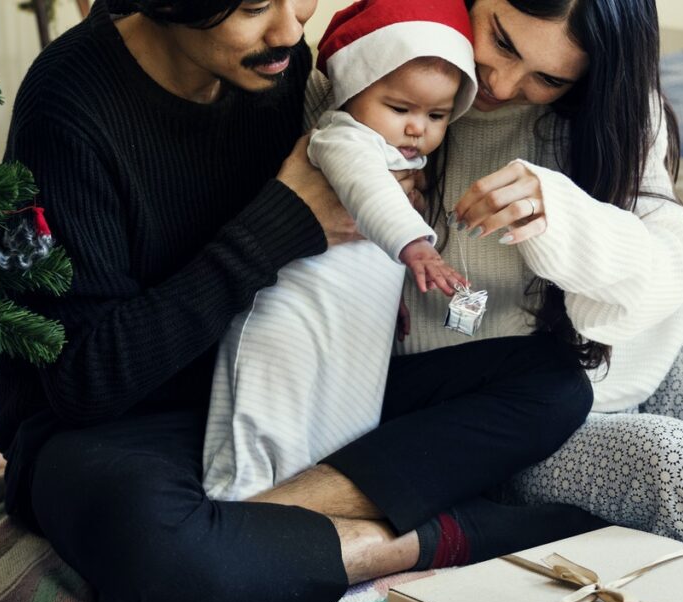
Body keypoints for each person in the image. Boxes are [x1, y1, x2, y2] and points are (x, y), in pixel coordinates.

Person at [0, 0, 604, 602]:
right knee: (157, 548)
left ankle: (240, 534)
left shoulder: (275, 68)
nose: (290, 31)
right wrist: (282, 223)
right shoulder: (68, 106)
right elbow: (83, 380)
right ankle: (422, 538)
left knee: (552, 384)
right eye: (257, 6)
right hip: (124, 424)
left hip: (289, 387)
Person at [342, 0, 683, 576]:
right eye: (502, 41)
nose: (503, 84)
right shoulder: (384, 83)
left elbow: (663, 272)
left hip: (656, 353)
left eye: (550, 77)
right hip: (515, 424)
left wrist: (560, 214)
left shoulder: (619, 112)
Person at [203, 0, 480, 501]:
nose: (418, 127)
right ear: (355, 90)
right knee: (266, 410)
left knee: (344, 422)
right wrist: (417, 247)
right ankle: (233, 498)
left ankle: (296, 505)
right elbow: (366, 191)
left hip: (354, 327)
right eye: (400, 109)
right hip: (293, 314)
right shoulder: (342, 136)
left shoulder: (402, 156)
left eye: (437, 114)